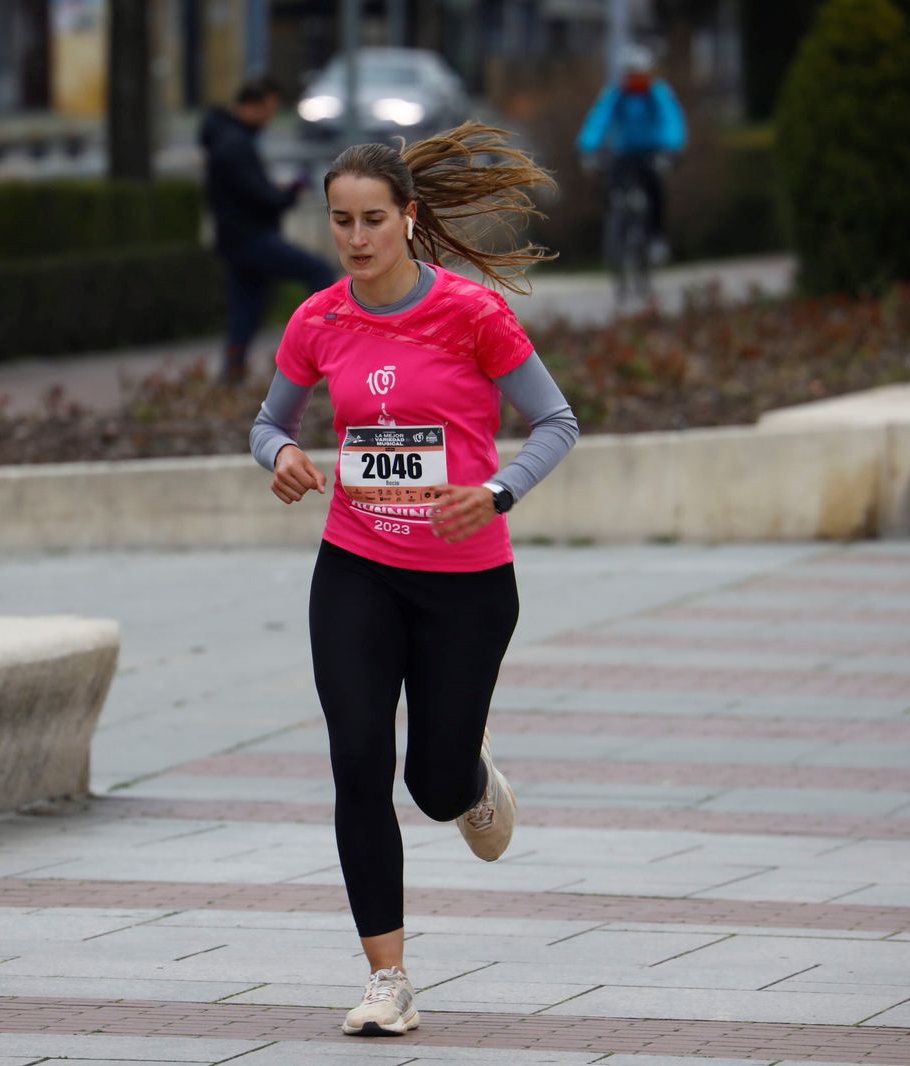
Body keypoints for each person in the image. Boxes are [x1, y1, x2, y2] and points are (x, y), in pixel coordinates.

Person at [248, 122, 580, 1036]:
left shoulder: (471, 314)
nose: (355, 239)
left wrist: (497, 491)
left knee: (431, 785)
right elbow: (267, 424)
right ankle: (387, 978)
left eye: (372, 220)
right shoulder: (318, 319)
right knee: (358, 759)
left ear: (409, 217)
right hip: (356, 565)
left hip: (466, 584)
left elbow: (556, 421)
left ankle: (472, 783)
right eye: (340, 221)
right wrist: (280, 455)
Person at [200, 76, 337, 385]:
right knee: (319, 272)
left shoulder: (225, 138)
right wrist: (289, 193)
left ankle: (233, 369)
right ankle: (320, 352)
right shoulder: (234, 144)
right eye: (269, 111)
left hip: (236, 239)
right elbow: (259, 195)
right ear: (252, 106)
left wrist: (276, 193)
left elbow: (246, 190)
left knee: (247, 305)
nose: (270, 119)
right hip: (251, 238)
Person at [576, 44, 687, 264]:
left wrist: (672, 147)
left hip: (652, 150)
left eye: (640, 77)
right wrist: (587, 147)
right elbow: (599, 119)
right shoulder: (616, 94)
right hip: (624, 151)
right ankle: (615, 230)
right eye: (631, 77)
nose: (635, 82)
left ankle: (656, 237)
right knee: (610, 183)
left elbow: (671, 120)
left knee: (654, 187)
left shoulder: (658, 94)